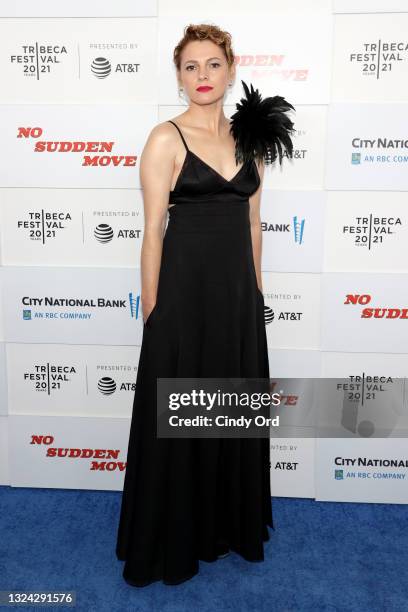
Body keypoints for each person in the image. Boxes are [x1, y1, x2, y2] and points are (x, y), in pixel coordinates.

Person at [116, 23, 295, 587]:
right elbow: (151, 233)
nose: (202, 76)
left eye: (212, 64)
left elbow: (254, 223)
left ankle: (224, 525)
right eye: (190, 67)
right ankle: (176, 534)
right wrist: (153, 313)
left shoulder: (251, 140)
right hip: (183, 302)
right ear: (178, 76)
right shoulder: (165, 138)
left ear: (230, 68)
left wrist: (257, 297)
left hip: (238, 301)